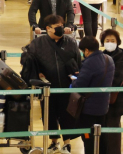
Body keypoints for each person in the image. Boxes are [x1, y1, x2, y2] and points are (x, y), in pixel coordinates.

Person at [22, 16, 80, 153]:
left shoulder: (70, 42)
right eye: (57, 25)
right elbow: (30, 62)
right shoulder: (38, 43)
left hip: (67, 86)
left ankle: (67, 143)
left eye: (62, 25)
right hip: (47, 88)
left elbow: (78, 62)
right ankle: (54, 142)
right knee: (49, 115)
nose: (61, 27)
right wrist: (38, 75)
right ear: (48, 28)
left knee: (67, 115)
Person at [72, 36, 115, 154]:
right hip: (104, 107)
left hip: (89, 109)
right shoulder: (108, 59)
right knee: (102, 137)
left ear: (86, 50)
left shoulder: (89, 62)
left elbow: (79, 86)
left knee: (88, 138)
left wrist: (73, 80)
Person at [100, 29, 123, 154]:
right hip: (101, 100)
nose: (110, 43)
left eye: (112, 41)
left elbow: (118, 77)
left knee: (113, 130)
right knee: (102, 131)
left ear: (117, 42)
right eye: (107, 40)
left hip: (116, 100)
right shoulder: (100, 55)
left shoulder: (121, 55)